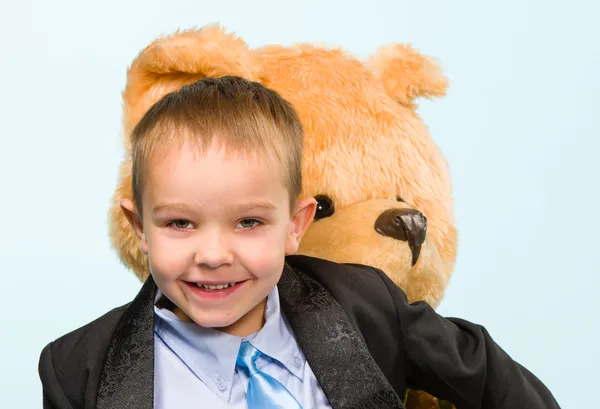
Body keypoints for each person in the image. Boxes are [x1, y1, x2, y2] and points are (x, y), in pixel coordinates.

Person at [38, 76, 561, 409]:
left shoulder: (365, 303)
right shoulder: (77, 367)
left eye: (248, 223)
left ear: (295, 224)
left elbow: (488, 373)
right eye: (180, 223)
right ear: (138, 226)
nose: (214, 255)